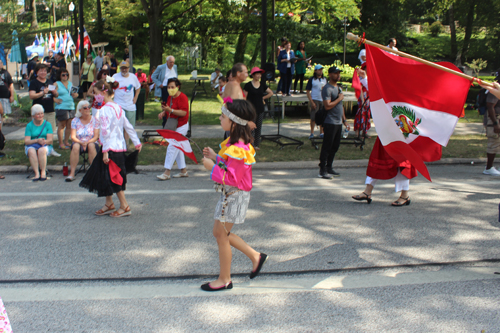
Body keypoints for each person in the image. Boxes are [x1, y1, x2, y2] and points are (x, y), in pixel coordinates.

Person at [201, 99, 267, 291]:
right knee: (220, 233)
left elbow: (232, 178)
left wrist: (211, 167)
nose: (220, 118)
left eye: (223, 116)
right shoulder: (234, 144)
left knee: (221, 235)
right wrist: (216, 157)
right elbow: (231, 166)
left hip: (235, 195)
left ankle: (225, 279)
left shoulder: (239, 147)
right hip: (231, 195)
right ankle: (255, 257)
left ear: (234, 122)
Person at [79, 78, 142, 217]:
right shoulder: (118, 107)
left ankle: (125, 206)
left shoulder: (105, 109)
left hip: (110, 149)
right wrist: (136, 141)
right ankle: (109, 203)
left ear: (103, 92)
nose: (95, 96)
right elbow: (128, 126)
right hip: (117, 147)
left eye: (96, 93)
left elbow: (105, 131)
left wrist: (106, 151)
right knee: (105, 175)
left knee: (114, 177)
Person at [351, 68, 412, 206]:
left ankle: (405, 195)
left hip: (401, 134)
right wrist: (365, 78)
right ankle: (368, 191)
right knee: (376, 159)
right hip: (387, 133)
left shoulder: (406, 92)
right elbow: (377, 93)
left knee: (402, 164)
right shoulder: (392, 90)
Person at [156, 78, 190, 180]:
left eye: (172, 87)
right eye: (169, 87)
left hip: (182, 125)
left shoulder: (182, 97)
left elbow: (183, 113)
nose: (170, 89)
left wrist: (170, 110)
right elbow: (169, 110)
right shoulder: (170, 97)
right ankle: (183, 171)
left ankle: (167, 172)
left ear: (177, 87)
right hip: (175, 125)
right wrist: (164, 112)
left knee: (172, 146)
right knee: (177, 147)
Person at [318, 66, 349, 179]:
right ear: (330, 74)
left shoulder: (339, 88)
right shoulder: (327, 88)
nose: (338, 75)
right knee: (327, 146)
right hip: (329, 121)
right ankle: (322, 169)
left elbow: (341, 107)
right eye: (336, 73)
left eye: (339, 73)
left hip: (338, 122)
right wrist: (339, 99)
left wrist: (344, 120)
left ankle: (329, 166)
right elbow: (327, 106)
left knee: (335, 146)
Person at [29, 63, 60, 157]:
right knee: (39, 131)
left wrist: (55, 93)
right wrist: (42, 93)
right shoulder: (34, 82)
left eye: (45, 71)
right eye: (41, 71)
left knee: (50, 131)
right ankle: (39, 148)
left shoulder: (50, 81)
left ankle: (50, 149)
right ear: (37, 72)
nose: (43, 73)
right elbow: (32, 96)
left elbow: (57, 95)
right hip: (38, 111)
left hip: (50, 109)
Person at [66, 100, 99, 182]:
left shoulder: (95, 120)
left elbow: (96, 136)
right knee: (76, 146)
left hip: (92, 142)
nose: (87, 109)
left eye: (89, 107)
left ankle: (94, 173)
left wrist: (87, 143)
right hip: (78, 142)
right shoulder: (75, 120)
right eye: (85, 108)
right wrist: (81, 143)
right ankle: (72, 173)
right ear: (80, 110)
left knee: (91, 145)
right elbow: (73, 137)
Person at [244, 67, 273, 149]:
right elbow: (244, 98)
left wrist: (263, 98)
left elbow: (270, 93)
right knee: (251, 127)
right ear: (253, 75)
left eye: (260, 74)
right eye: (257, 74)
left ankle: (256, 144)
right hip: (251, 110)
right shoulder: (248, 85)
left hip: (260, 109)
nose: (259, 75)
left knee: (258, 127)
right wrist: (245, 108)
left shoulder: (262, 84)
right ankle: (250, 144)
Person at [25, 105, 54, 181]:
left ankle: (43, 172)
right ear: (33, 116)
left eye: (42, 113)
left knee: (41, 150)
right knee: (31, 151)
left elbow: (50, 140)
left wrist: (43, 141)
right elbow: (27, 141)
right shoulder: (29, 125)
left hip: (45, 144)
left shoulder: (47, 124)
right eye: (38, 114)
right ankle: (36, 173)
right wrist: (36, 140)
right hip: (32, 144)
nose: (41, 115)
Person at [112, 61, 141, 132]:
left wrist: (136, 97)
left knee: (129, 127)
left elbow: (138, 87)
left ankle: (127, 142)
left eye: (126, 68)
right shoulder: (115, 76)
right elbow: (110, 88)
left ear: (129, 68)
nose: (124, 70)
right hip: (118, 104)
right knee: (118, 126)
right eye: (122, 68)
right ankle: (120, 142)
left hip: (130, 105)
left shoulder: (133, 77)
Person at [54, 68, 79, 149]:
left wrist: (76, 95)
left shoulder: (70, 83)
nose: (65, 76)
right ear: (59, 75)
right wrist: (55, 99)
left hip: (70, 106)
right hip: (61, 106)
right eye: (63, 75)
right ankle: (61, 143)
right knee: (62, 125)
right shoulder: (56, 83)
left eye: (67, 74)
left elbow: (73, 93)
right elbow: (50, 94)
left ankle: (66, 142)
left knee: (69, 125)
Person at [482, 76, 500, 175]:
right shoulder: (494, 88)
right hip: (495, 119)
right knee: (494, 142)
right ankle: (489, 168)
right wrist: (495, 123)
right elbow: (490, 106)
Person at [353, 49, 372, 139]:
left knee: (367, 114)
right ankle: (357, 132)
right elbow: (360, 88)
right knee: (360, 113)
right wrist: (363, 99)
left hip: (368, 98)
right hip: (363, 98)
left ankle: (365, 131)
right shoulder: (361, 78)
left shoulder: (369, 78)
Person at [306, 64, 327, 139]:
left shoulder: (325, 79)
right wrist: (311, 102)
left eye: (321, 70)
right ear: (315, 71)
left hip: (323, 99)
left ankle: (322, 132)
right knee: (313, 117)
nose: (320, 71)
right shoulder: (312, 79)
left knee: (322, 116)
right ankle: (312, 132)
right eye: (319, 70)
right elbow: (308, 91)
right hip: (315, 99)